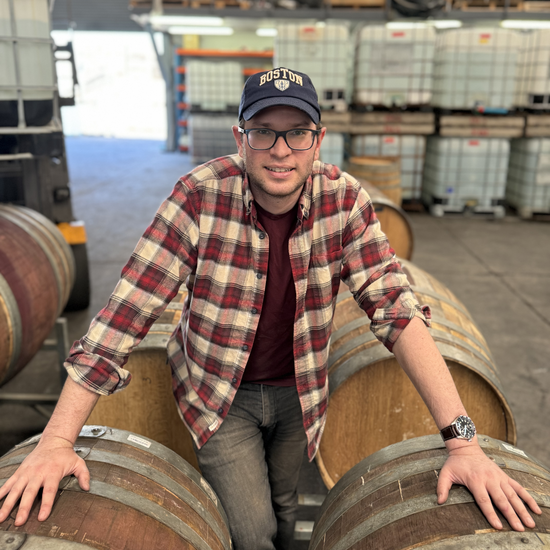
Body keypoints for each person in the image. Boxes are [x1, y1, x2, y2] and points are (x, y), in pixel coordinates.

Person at [0, 67, 541, 549]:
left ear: (317, 140)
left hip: (299, 392)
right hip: (220, 395)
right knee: (251, 531)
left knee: (286, 509)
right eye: (263, 131)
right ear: (240, 137)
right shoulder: (198, 197)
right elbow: (122, 318)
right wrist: (56, 442)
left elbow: (397, 312)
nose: (280, 150)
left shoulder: (345, 201)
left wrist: (464, 444)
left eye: (297, 132)